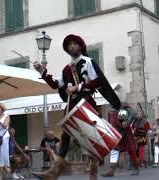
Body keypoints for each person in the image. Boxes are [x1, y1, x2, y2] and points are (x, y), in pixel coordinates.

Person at [33, 34, 122, 180]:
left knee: (91, 138)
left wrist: (77, 87)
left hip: (86, 103)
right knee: (65, 137)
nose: (72, 46)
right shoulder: (67, 69)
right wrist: (42, 72)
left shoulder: (88, 62)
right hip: (72, 105)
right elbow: (56, 84)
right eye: (69, 45)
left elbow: (97, 81)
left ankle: (92, 175)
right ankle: (54, 172)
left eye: (75, 44)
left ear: (80, 46)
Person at [101, 105, 140, 177]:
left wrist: (127, 122)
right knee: (114, 150)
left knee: (131, 151)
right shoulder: (111, 112)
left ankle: (136, 168)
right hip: (116, 133)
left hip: (126, 133)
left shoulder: (124, 108)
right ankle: (111, 171)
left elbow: (132, 113)